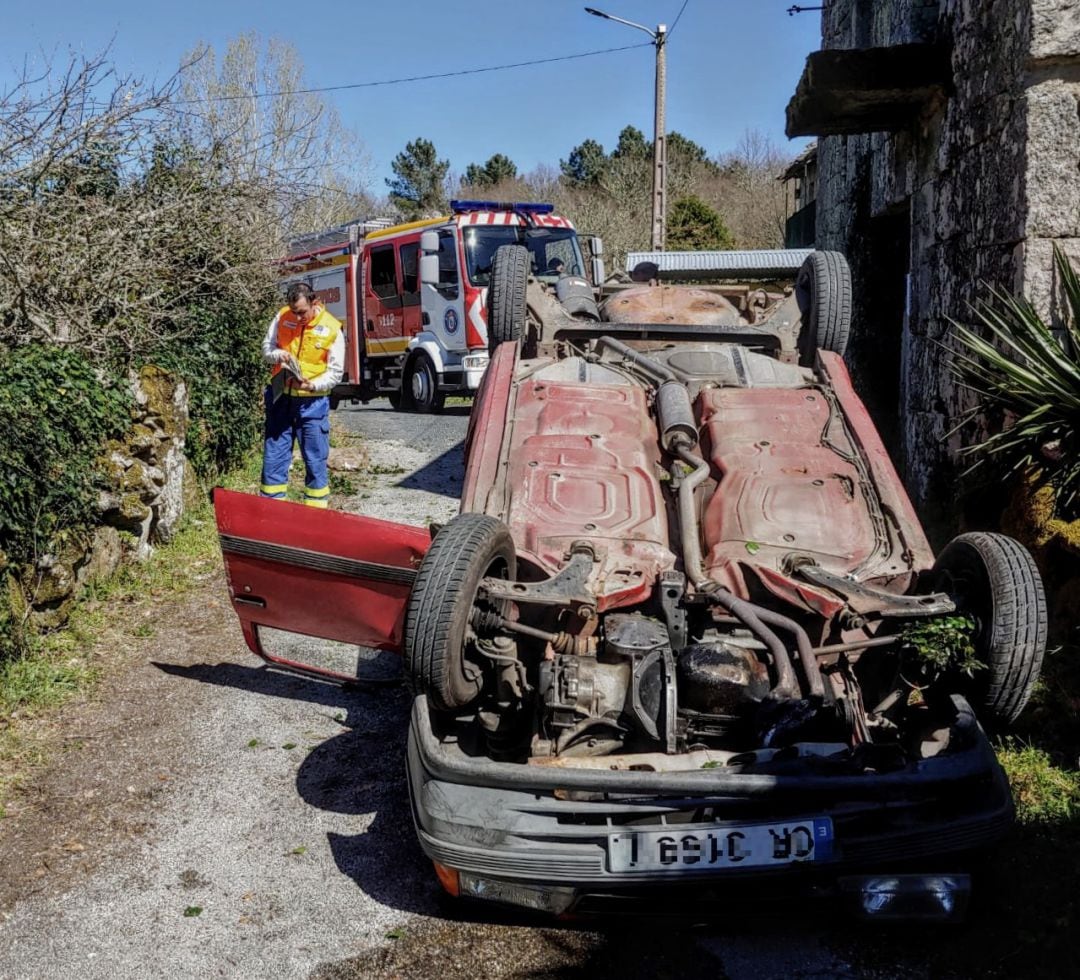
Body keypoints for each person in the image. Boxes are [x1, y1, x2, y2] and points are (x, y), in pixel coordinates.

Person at [259, 282, 344, 508]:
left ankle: (315, 516)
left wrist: (313, 385)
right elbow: (266, 350)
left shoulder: (332, 328)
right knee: (274, 458)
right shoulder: (281, 316)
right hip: (280, 400)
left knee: (315, 461)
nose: (297, 318)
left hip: (312, 404)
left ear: (314, 303)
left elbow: (335, 373)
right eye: (294, 312)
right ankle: (272, 511)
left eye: (302, 312)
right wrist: (279, 355)